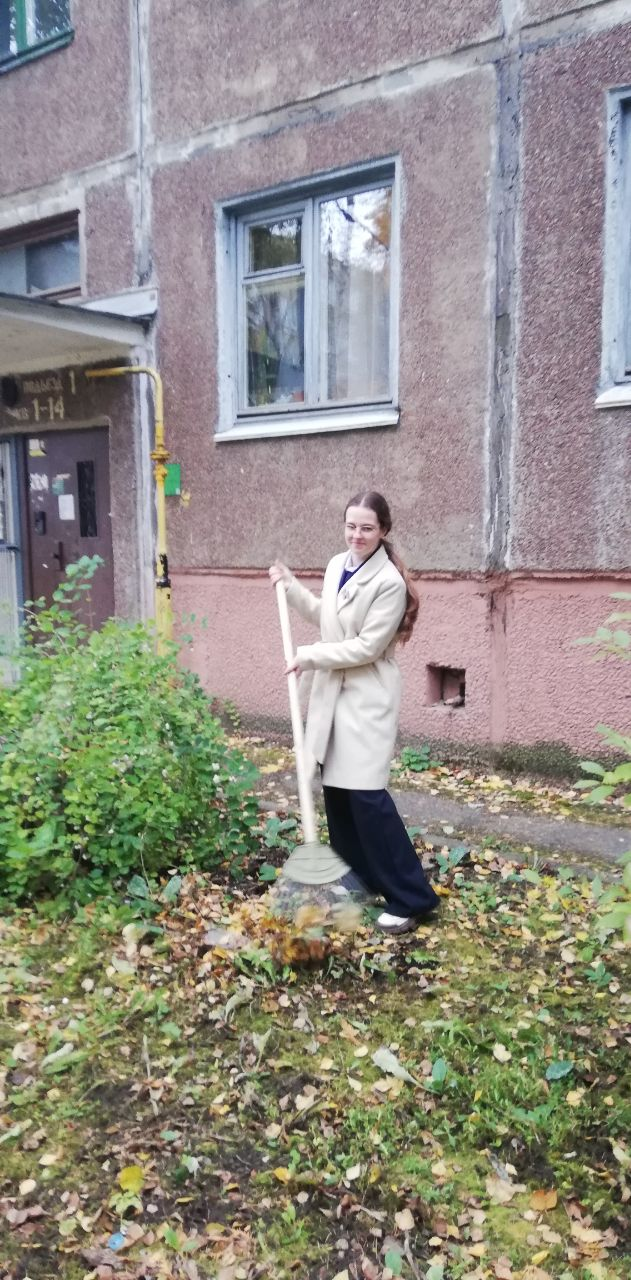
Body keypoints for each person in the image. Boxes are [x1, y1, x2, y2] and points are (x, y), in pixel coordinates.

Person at [268, 490, 439, 935]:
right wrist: (291, 588)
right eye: (351, 526)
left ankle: (411, 897)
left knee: (366, 797)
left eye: (366, 527)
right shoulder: (336, 565)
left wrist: (308, 656)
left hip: (365, 698)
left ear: (383, 530)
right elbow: (328, 618)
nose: (357, 535)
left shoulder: (389, 583)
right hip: (333, 694)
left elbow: (366, 647)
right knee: (338, 795)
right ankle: (359, 879)